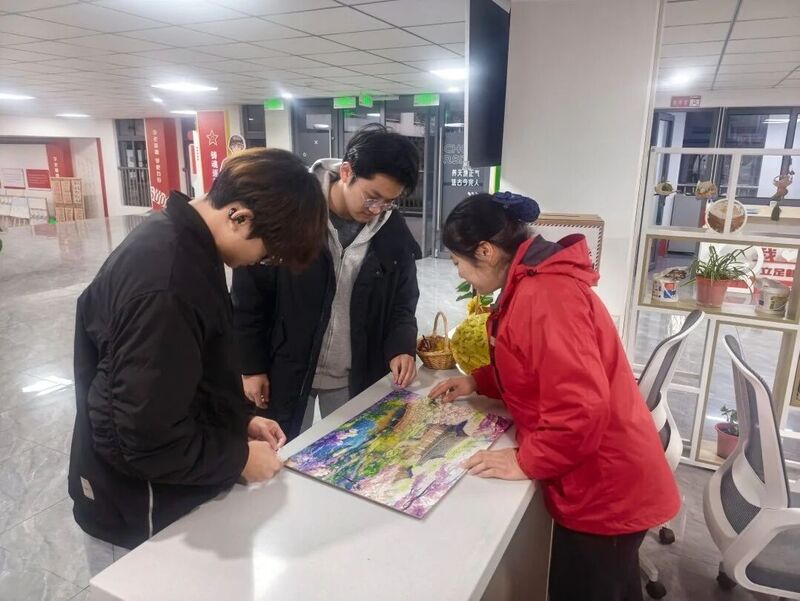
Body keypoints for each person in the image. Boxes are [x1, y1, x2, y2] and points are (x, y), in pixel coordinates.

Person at [69, 148, 328, 549]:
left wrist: (239, 421)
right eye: (268, 254)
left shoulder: (181, 242)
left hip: (162, 489)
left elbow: (183, 375)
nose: (261, 262)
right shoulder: (169, 282)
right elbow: (142, 436)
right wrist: (238, 458)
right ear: (239, 217)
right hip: (140, 510)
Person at [430, 192, 680, 601]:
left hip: (605, 486)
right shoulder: (532, 283)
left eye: (458, 262)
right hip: (600, 475)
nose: (459, 273)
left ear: (486, 251)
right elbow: (532, 364)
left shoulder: (546, 294)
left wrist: (526, 460)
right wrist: (479, 382)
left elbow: (581, 408)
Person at [232, 124, 421, 441]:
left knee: (351, 454)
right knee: (280, 452)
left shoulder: (393, 230)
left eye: (389, 202)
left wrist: (401, 346)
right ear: (347, 172)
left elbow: (403, 299)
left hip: (353, 374)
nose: (377, 210)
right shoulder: (291, 210)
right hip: (285, 370)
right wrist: (250, 366)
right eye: (372, 198)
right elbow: (249, 296)